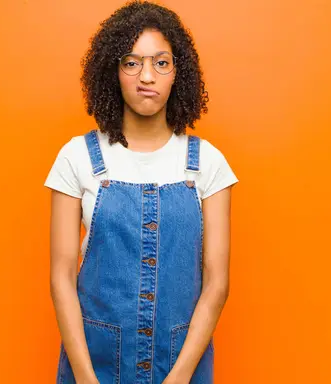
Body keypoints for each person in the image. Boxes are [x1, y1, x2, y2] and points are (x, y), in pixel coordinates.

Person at [44, 1, 238, 383]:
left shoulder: (208, 164)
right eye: (131, 62)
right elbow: (61, 277)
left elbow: (217, 283)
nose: (146, 76)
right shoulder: (77, 157)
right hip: (93, 365)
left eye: (160, 63)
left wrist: (180, 377)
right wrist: (85, 377)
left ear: (177, 73)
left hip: (182, 365)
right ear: (112, 72)